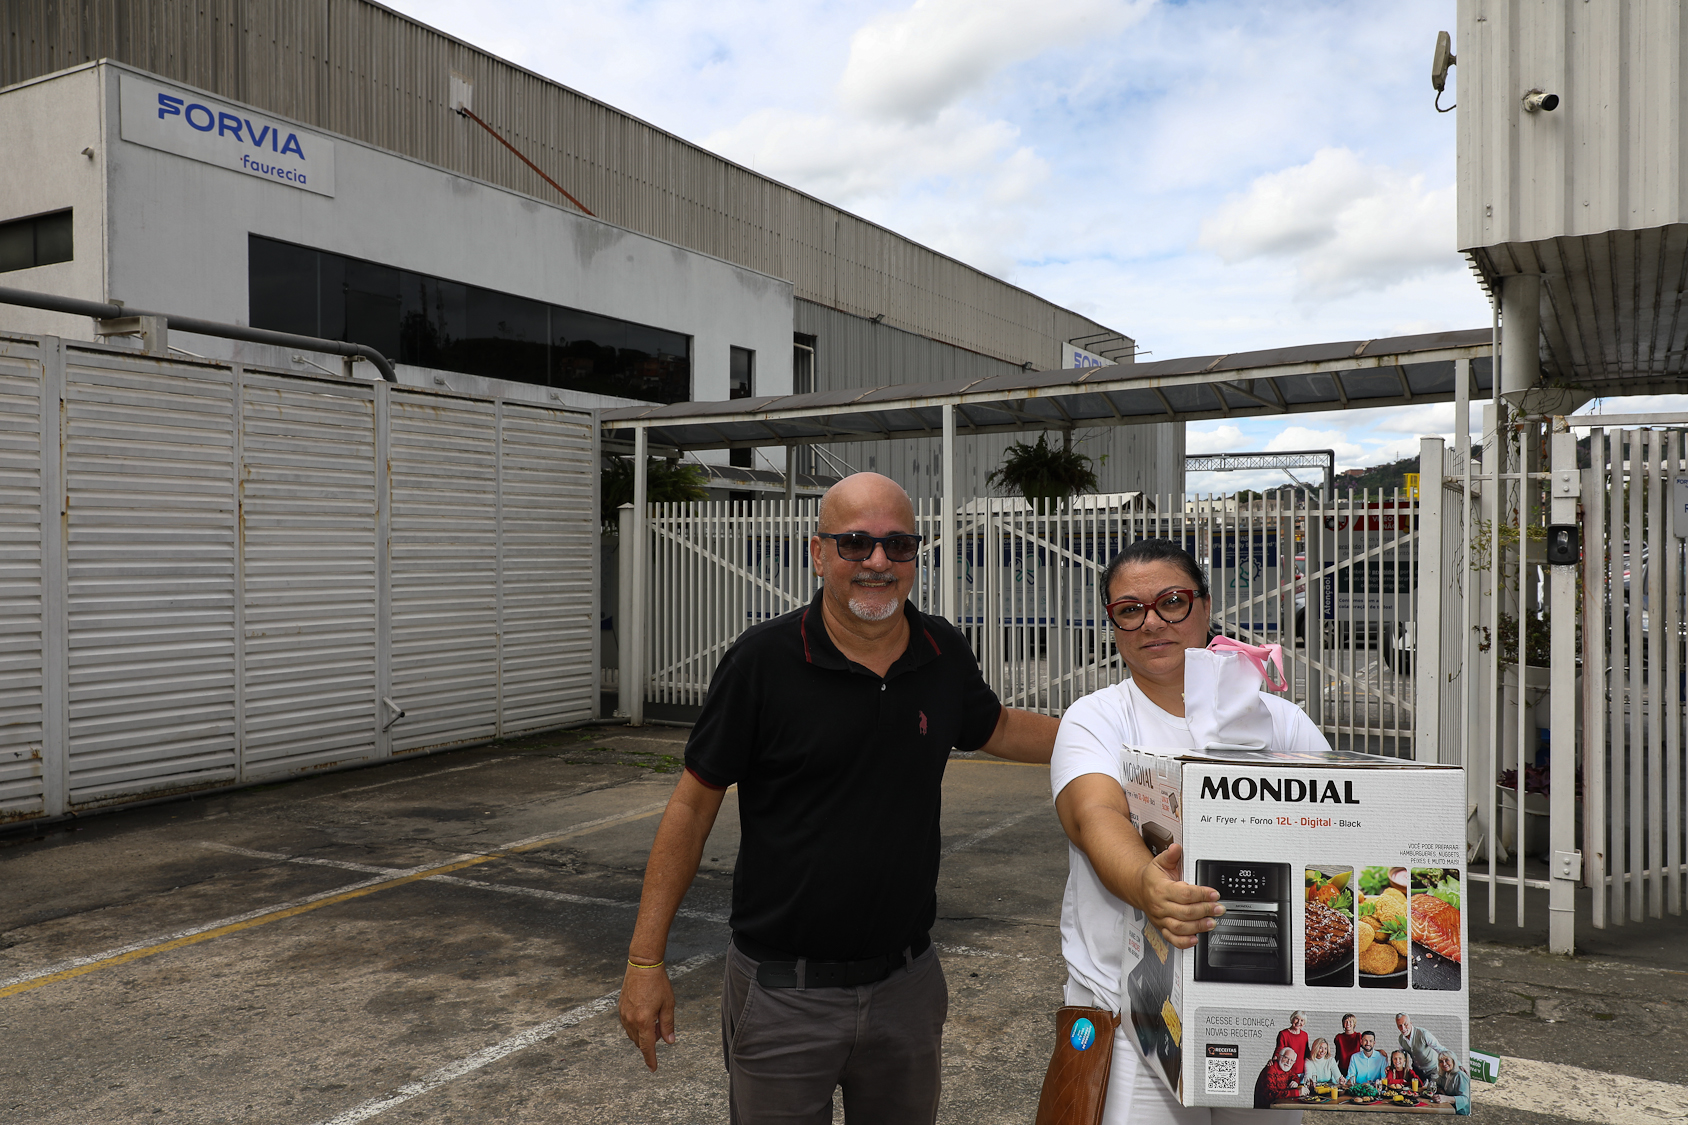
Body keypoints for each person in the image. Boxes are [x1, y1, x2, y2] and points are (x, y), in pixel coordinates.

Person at [617, 472, 1059, 1125]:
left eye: (897, 544)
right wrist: (644, 960)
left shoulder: (941, 652)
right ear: (818, 553)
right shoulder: (761, 662)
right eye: (855, 542)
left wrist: (1124, 738)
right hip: (781, 997)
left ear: (915, 555)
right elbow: (691, 806)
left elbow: (998, 727)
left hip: (907, 989)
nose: (877, 561)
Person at [1052, 538, 1328, 1125]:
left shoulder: (1281, 723)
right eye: (1130, 609)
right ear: (1114, 625)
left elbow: (1343, 834)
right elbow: (1093, 814)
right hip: (1133, 1012)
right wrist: (1147, 886)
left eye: (1171, 601)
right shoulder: (1096, 717)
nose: (1152, 622)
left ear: (1203, 608)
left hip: (1261, 1012)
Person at [1396, 1013, 1449, 1084]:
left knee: (1432, 1091)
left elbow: (1440, 1049)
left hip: (1432, 1070)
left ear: (1410, 1023)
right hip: (1417, 1071)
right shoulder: (1401, 1039)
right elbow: (1400, 1056)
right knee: (1417, 1092)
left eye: (1405, 1024)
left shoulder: (1423, 1034)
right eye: (1400, 1026)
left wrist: (1457, 1064)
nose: (1403, 1028)